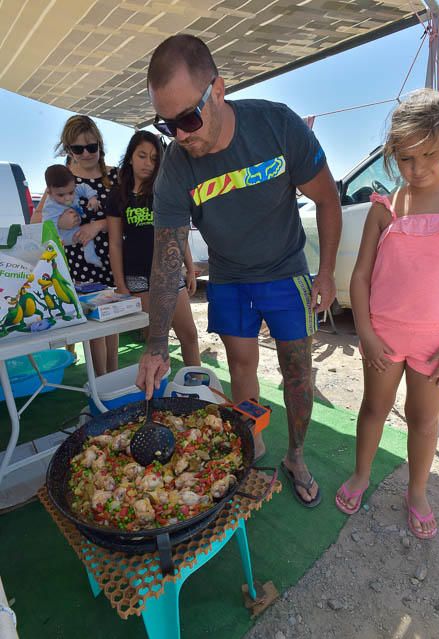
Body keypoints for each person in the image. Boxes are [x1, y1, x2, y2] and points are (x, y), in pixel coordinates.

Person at [136, 34, 342, 507]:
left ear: (219, 89)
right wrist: (154, 344)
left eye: (188, 118)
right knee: (241, 367)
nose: (181, 135)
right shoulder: (175, 167)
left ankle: (295, 455)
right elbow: (166, 257)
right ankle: (251, 452)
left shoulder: (276, 125)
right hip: (229, 276)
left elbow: (328, 199)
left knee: (297, 375)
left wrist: (327, 271)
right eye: (167, 125)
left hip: (286, 268)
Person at [335, 89, 439, 538]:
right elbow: (361, 277)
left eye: (429, 154)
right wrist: (365, 332)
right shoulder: (385, 209)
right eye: (405, 159)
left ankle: (417, 490)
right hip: (385, 337)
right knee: (373, 407)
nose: (417, 168)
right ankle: (361, 474)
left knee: (424, 419)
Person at [107, 131, 200, 366]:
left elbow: (179, 235)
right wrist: (121, 284)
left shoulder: (165, 190)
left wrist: (189, 268)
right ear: (130, 157)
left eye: (154, 158)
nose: (148, 163)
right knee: (155, 342)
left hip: (170, 275)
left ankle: (199, 387)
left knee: (189, 335)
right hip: (138, 278)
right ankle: (157, 396)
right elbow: (116, 243)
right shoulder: (118, 195)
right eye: (142, 156)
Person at [54, 114, 120, 376]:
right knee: (94, 329)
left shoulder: (115, 176)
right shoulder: (62, 180)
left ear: (100, 145)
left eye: (91, 146)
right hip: (80, 264)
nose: (86, 153)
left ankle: (112, 383)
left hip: (113, 258)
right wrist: (60, 220)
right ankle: (100, 387)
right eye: (78, 149)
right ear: (68, 150)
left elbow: (129, 217)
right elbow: (40, 219)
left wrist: (97, 225)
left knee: (113, 323)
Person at [42, 164, 103, 268]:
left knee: (86, 234)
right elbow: (47, 227)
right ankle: (89, 256)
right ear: (50, 192)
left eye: (71, 192)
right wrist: (60, 224)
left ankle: (90, 257)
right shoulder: (50, 207)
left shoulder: (74, 188)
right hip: (63, 236)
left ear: (74, 185)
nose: (67, 198)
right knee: (84, 236)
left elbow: (84, 187)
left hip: (78, 228)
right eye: (61, 195)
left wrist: (92, 197)